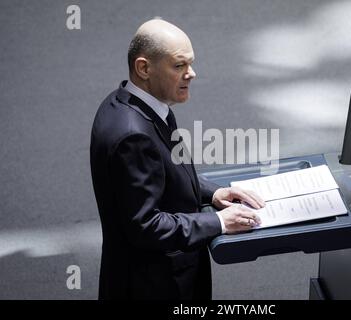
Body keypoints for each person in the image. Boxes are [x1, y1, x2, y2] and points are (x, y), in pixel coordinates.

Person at [90, 18, 265, 300]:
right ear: (144, 68)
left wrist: (214, 192)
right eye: (179, 65)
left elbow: (168, 171)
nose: (191, 73)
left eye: (190, 63)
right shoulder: (133, 136)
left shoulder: (133, 104)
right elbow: (145, 225)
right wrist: (219, 223)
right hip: (152, 287)